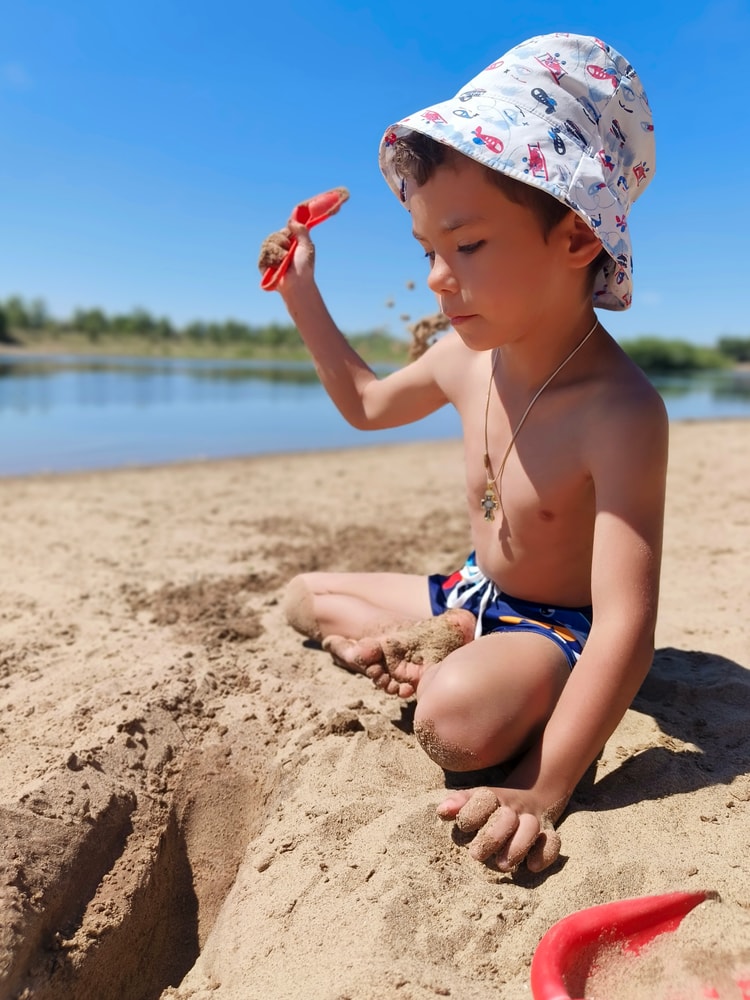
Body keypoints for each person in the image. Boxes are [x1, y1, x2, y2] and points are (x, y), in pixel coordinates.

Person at [259, 33, 667, 874]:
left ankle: (471, 664)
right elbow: (367, 405)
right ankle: (449, 632)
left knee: (451, 724)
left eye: (468, 246)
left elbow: (628, 624)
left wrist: (541, 788)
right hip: (474, 589)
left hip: (559, 627)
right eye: (428, 252)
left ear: (577, 236)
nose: (439, 279)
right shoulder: (463, 357)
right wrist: (301, 294)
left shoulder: (621, 412)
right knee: (305, 599)